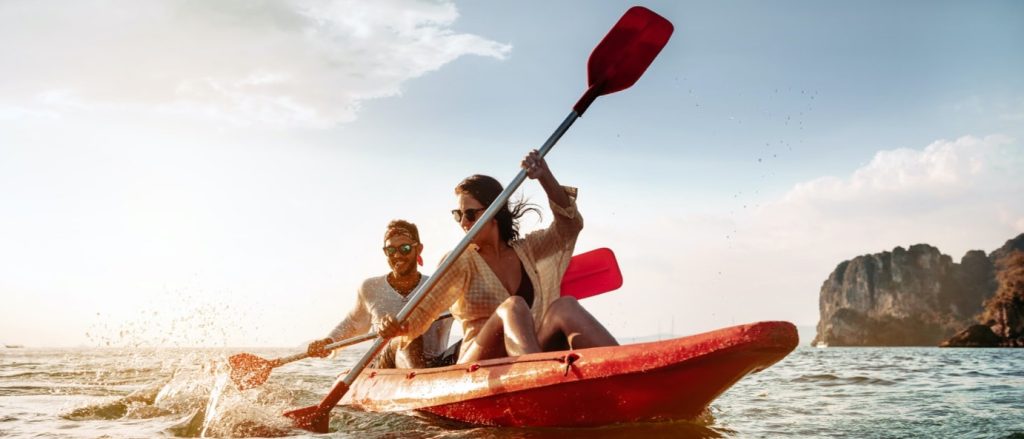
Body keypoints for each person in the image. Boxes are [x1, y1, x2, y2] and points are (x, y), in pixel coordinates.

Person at [380, 150, 617, 364]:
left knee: (564, 306)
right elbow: (423, 313)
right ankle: (534, 375)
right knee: (512, 306)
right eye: (458, 215)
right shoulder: (459, 260)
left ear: (495, 212)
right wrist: (394, 326)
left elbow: (570, 225)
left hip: (529, 351)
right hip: (478, 361)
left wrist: (544, 176)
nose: (464, 223)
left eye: (471, 214)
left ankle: (624, 366)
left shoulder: (528, 249)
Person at [306, 220, 451, 369]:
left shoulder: (441, 286)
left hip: (435, 364)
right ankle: (418, 381)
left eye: (405, 249)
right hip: (387, 365)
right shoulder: (370, 288)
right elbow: (352, 324)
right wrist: (328, 343)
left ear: (418, 249)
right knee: (408, 337)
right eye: (391, 251)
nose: (397, 256)